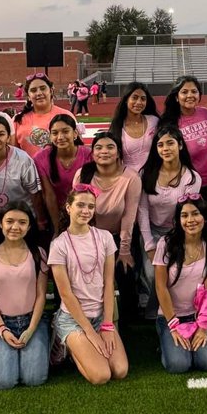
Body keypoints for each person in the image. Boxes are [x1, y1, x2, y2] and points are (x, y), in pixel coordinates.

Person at [49, 185, 129, 384]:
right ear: (68, 207)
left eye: (91, 207)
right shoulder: (59, 245)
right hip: (73, 319)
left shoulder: (105, 237)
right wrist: (91, 333)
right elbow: (65, 294)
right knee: (101, 376)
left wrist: (107, 325)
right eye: (80, 205)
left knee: (119, 371)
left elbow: (109, 283)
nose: (86, 211)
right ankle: (67, 345)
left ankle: (85, 346)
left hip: (100, 316)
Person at [0, 202, 49, 388]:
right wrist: (2, 329)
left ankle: (47, 343)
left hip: (33, 321)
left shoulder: (38, 253)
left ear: (29, 226)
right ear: (0, 223)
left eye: (22, 222)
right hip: (3, 322)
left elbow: (41, 295)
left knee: (34, 379)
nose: (15, 227)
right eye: (9, 221)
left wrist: (31, 328)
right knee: (3, 382)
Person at [74, 132, 143, 317]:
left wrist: (124, 250)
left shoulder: (131, 178)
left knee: (125, 274)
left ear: (118, 152)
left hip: (118, 236)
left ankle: (129, 317)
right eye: (98, 147)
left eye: (110, 147)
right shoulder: (83, 174)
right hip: (89, 236)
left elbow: (129, 216)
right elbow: (76, 211)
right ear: (93, 153)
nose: (104, 151)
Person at [153, 195, 207, 373]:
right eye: (184, 215)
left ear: (205, 217)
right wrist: (173, 325)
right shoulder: (165, 244)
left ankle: (191, 340)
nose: (190, 220)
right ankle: (165, 341)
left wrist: (203, 325)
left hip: (198, 315)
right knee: (179, 365)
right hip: (170, 316)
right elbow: (160, 287)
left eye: (195, 214)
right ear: (178, 220)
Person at [138, 125, 202, 309]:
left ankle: (176, 308)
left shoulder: (191, 178)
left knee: (175, 274)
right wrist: (149, 243)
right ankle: (153, 309)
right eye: (160, 145)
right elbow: (142, 210)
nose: (165, 149)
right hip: (152, 230)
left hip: (178, 232)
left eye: (170, 143)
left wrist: (177, 240)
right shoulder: (146, 173)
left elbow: (187, 214)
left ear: (180, 145)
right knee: (153, 274)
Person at [0, 115, 46, 246]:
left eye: (1, 134)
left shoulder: (23, 160)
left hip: (21, 218)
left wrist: (40, 221)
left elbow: (35, 193)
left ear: (8, 137)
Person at [158, 75, 207, 189]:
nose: (190, 95)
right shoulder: (169, 122)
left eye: (194, 91)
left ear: (199, 95)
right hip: (186, 184)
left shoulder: (206, 113)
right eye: (184, 92)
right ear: (176, 97)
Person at [36, 113, 91, 230]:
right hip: (56, 213)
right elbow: (49, 195)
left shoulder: (89, 155)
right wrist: (58, 227)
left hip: (85, 211)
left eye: (65, 131)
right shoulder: (41, 158)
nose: (60, 137)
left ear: (75, 133)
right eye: (55, 133)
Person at [14, 73, 74, 157]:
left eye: (43, 88)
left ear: (51, 91)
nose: (39, 93)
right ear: (28, 96)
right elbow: (13, 154)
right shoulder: (18, 120)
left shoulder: (66, 115)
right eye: (33, 90)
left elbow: (77, 150)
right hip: (28, 166)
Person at [108, 81, 159, 172]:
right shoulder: (117, 127)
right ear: (126, 100)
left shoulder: (154, 121)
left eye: (143, 99)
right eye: (134, 98)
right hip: (128, 177)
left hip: (154, 175)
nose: (139, 102)